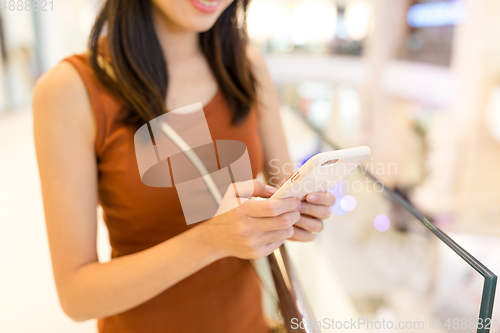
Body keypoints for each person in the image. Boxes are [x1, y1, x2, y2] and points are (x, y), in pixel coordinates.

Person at [33, 0, 335, 332]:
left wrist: (296, 214)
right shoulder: (71, 89)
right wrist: (210, 240)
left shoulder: (246, 66)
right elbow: (77, 297)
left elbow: (286, 190)